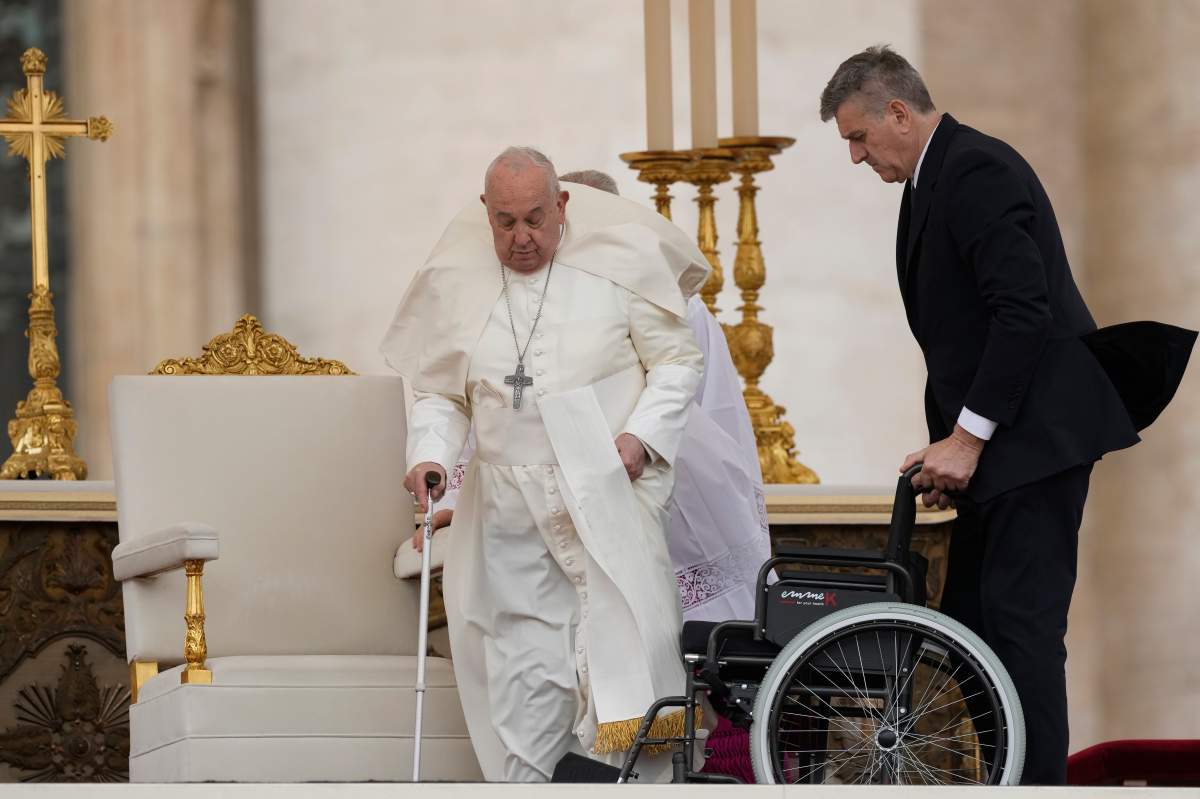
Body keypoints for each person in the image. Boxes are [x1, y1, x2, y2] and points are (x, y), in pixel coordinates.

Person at [819, 46, 1194, 784]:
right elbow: (962, 342)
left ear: (898, 111)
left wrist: (965, 439)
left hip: (1037, 444)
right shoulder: (932, 181)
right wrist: (950, 450)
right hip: (1004, 450)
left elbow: (1022, 312)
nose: (856, 157)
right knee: (973, 631)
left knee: (1022, 637)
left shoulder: (976, 170)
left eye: (859, 137)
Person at [381, 147, 710, 782]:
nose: (521, 238)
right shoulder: (460, 284)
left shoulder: (619, 266)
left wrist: (641, 436)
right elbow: (445, 397)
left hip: (603, 499)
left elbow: (676, 362)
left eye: (535, 218)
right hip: (506, 521)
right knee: (526, 680)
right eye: (505, 222)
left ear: (562, 206)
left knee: (617, 678)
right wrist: (429, 456)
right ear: (486, 214)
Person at [412, 168, 770, 623]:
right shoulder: (512, 295)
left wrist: (646, 442)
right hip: (545, 504)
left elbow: (714, 404)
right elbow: (491, 405)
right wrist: (451, 499)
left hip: (661, 484)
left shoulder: (669, 295)